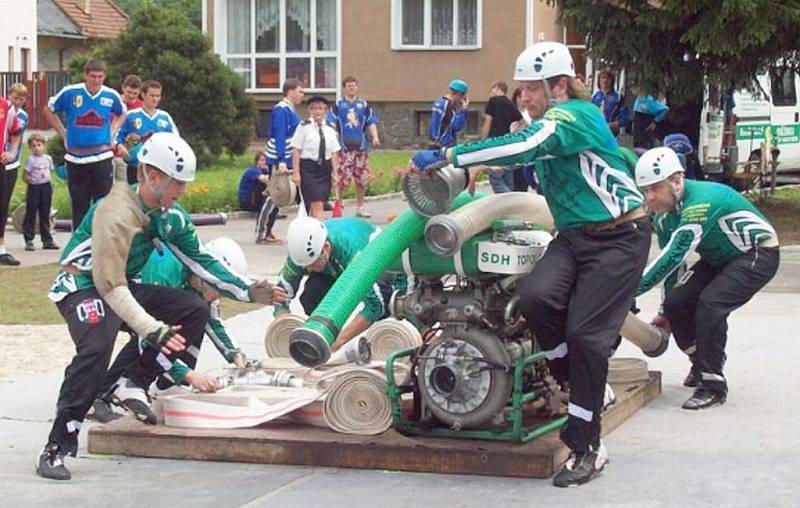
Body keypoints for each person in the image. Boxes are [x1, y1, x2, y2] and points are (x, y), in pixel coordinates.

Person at [409, 41, 650, 487]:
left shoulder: (573, 116)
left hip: (619, 238)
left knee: (587, 335)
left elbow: (526, 145)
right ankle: (577, 386)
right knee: (537, 298)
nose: (524, 99)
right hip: (575, 237)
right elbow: (524, 147)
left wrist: (449, 156)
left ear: (558, 86)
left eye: (530, 90)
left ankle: (587, 446)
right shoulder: (550, 120)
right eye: (520, 91)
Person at [36, 132, 272, 481]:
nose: (183, 191)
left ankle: (132, 382)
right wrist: (152, 329)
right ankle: (57, 446)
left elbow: (202, 260)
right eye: (178, 183)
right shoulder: (115, 215)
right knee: (97, 348)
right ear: (153, 176)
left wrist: (250, 289)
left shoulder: (169, 216)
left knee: (193, 309)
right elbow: (110, 288)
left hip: (122, 286)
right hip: (85, 287)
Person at [634, 147, 779, 410]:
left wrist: (628, 290)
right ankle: (701, 363)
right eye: (645, 190)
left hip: (758, 252)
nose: (650, 197)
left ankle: (713, 384)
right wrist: (666, 310)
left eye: (655, 188)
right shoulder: (665, 216)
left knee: (711, 304)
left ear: (676, 181)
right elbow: (673, 269)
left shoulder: (701, 201)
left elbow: (676, 253)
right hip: (718, 259)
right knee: (677, 303)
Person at [90, 238, 249, 423]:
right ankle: (102, 393)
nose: (217, 296)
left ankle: (165, 384)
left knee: (197, 315)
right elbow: (145, 333)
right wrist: (187, 374)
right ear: (201, 274)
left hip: (144, 306)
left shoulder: (204, 284)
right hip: (110, 295)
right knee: (149, 338)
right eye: (216, 288)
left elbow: (212, 320)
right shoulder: (164, 272)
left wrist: (234, 354)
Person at [272, 216, 402, 352]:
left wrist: (337, 343)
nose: (308, 270)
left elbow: (376, 305)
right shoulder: (301, 252)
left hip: (379, 261)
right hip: (334, 267)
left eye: (312, 264)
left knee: (385, 306)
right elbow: (280, 294)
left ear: (326, 248)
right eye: (304, 266)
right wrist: (284, 326)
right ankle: (325, 331)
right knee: (311, 296)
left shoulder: (353, 252)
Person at [44, 59, 127, 230]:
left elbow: (122, 113)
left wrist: (112, 132)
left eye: (100, 77)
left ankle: (100, 243)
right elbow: (48, 110)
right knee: (79, 204)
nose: (96, 80)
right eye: (93, 76)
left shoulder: (110, 95)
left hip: (101, 156)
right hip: (76, 158)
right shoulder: (71, 93)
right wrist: (63, 133)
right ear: (86, 75)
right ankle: (79, 245)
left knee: (102, 204)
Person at [256, 79, 304, 245]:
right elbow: (280, 135)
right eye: (300, 91)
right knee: (274, 194)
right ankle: (261, 232)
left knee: (281, 196)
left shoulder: (290, 110)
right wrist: (282, 160)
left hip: (287, 157)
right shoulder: (281, 110)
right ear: (290, 91)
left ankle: (267, 231)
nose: (302, 95)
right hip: (279, 158)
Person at [327, 76, 380, 218]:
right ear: (344, 88)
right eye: (349, 86)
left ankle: (360, 207)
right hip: (344, 149)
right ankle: (339, 206)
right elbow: (331, 123)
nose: (351, 88)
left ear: (357, 87)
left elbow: (371, 122)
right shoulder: (338, 106)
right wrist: (333, 136)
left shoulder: (363, 105)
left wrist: (375, 136)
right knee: (342, 179)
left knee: (361, 179)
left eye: (354, 86)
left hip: (361, 149)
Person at [115, 80, 179, 184]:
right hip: (135, 167)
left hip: (158, 168)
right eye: (152, 95)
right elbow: (117, 135)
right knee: (134, 197)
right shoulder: (131, 115)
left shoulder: (165, 117)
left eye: (158, 96)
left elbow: (176, 140)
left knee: (155, 197)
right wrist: (119, 146)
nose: (155, 99)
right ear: (143, 95)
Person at [291, 95, 340, 220]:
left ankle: (312, 234)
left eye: (321, 108)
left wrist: (335, 173)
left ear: (325, 111)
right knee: (317, 204)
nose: (317, 112)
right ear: (310, 111)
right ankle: (323, 235)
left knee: (316, 205)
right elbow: (296, 150)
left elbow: (334, 153)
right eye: (314, 109)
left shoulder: (329, 129)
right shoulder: (303, 127)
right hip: (309, 169)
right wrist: (296, 173)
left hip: (324, 169)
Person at [482, 80, 523, 193]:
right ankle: (511, 203)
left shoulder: (493, 101)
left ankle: (507, 199)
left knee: (496, 179)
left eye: (492, 89)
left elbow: (488, 121)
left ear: (498, 89)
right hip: (507, 142)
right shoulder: (510, 104)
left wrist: (483, 140)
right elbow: (522, 122)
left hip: (494, 142)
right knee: (507, 177)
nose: (491, 92)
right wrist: (515, 134)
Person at [0, 86, 24, 265]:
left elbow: (16, 132)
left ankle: (1, 250)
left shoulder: (5, 106)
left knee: (1, 206)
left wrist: (12, 152)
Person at [22, 134, 59, 251]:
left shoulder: (48, 159)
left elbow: (50, 171)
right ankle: (29, 239)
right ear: (30, 148)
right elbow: (25, 174)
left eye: (39, 145)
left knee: (45, 213)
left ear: (44, 146)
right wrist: (29, 180)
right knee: (31, 212)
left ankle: (47, 240)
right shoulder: (31, 160)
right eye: (33, 146)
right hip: (34, 187)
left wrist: (50, 181)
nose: (36, 148)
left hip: (45, 186)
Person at [429, 79, 469, 149]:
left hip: (434, 142)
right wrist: (463, 110)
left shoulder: (439, 101)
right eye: (462, 96)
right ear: (459, 94)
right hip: (444, 144)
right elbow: (456, 126)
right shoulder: (448, 107)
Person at [591, 70, 630, 137]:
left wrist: (613, 125)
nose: (605, 80)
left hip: (612, 135)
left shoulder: (618, 97)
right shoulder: (594, 96)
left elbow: (625, 119)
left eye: (608, 78)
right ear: (599, 80)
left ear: (612, 81)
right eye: (603, 78)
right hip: (596, 133)